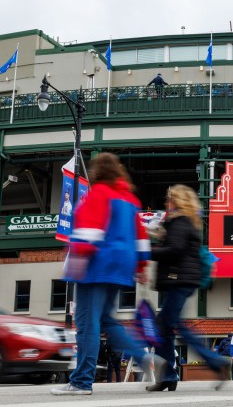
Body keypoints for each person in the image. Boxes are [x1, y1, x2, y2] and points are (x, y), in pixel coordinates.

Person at [51, 153, 161, 396]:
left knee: (86, 322)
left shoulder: (99, 193)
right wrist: (142, 266)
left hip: (96, 265)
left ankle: (81, 381)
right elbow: (140, 237)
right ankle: (145, 358)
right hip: (121, 268)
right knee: (108, 321)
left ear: (97, 171)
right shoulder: (129, 199)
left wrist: (77, 259)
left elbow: (89, 231)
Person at [149, 184, 229, 391]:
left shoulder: (181, 222)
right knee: (164, 328)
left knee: (175, 327)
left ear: (177, 201)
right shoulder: (182, 223)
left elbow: (175, 250)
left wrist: (146, 251)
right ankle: (168, 376)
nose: (166, 203)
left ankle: (216, 362)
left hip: (179, 280)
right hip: (179, 280)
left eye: (169, 199)